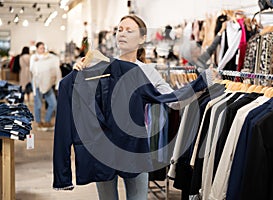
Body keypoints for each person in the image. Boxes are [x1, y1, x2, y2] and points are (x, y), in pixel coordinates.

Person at [73, 14, 226, 200]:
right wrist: (78, 72)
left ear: (142, 38)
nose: (122, 34)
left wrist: (202, 82)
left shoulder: (146, 71)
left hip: (134, 147)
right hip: (104, 145)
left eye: (129, 31)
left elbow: (173, 100)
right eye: (119, 30)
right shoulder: (101, 66)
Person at [30, 42, 62, 131]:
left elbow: (54, 66)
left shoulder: (48, 57)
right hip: (37, 84)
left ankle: (47, 121)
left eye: (43, 48)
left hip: (47, 84)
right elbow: (31, 70)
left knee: (53, 104)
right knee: (38, 105)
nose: (42, 50)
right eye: (41, 48)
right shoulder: (34, 58)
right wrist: (36, 63)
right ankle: (39, 122)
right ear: (37, 49)